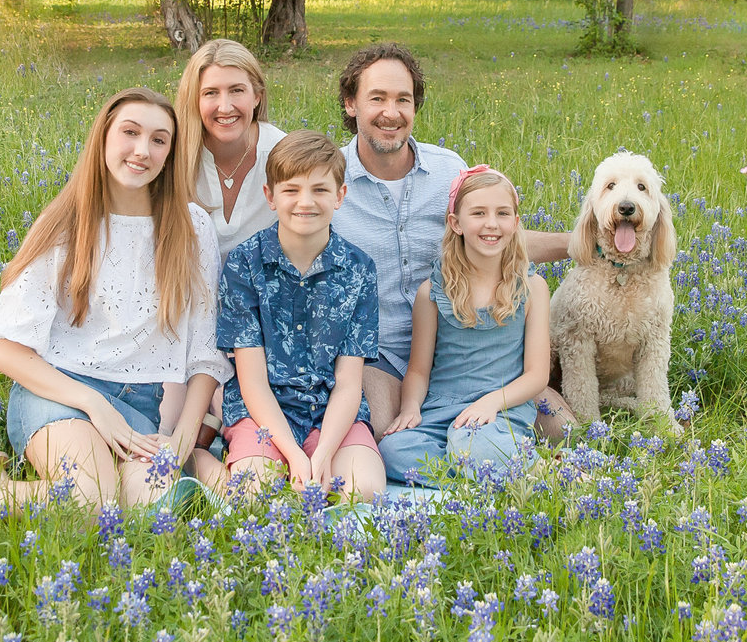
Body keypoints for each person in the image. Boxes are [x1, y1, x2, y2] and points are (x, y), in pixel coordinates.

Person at [0, 87, 232, 508]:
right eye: (130, 132)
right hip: (58, 393)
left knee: (148, 506)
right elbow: (6, 352)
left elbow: (205, 357)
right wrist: (93, 404)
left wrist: (179, 445)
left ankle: (1, 491)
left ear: (170, 152)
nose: (142, 150)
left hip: (141, 406)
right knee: (90, 502)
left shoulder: (192, 227)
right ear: (104, 138)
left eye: (158, 140)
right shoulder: (65, 224)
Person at [329, 43, 576, 440]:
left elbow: (493, 240)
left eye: (403, 99)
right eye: (377, 98)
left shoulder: (448, 170)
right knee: (378, 430)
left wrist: (577, 243)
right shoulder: (329, 182)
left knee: (564, 430)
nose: (391, 113)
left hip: (470, 351)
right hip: (382, 359)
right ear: (350, 103)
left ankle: (484, 442)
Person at [215, 130, 386, 500]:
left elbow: (348, 382)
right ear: (270, 196)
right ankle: (212, 460)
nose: (305, 202)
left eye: (320, 190)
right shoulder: (245, 263)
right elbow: (253, 382)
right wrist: (294, 456)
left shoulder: (359, 269)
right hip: (261, 411)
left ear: (340, 196)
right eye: (291, 190)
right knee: (255, 494)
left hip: (331, 410)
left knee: (365, 490)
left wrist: (322, 454)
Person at [379, 166, 552, 483]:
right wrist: (410, 408)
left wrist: (491, 403)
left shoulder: (532, 288)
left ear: (515, 223)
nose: (491, 224)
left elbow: (537, 375)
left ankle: (495, 465)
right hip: (442, 408)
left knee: (471, 446)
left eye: (502, 213)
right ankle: (487, 472)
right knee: (393, 450)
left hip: (502, 411)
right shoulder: (432, 291)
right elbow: (418, 370)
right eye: (479, 213)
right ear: (455, 223)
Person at [166, 40, 288, 444]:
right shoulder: (175, 157)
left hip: (263, 316)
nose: (225, 105)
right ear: (193, 99)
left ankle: (218, 415)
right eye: (210, 93)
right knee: (164, 425)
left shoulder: (281, 153)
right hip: (187, 313)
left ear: (257, 94)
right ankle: (207, 414)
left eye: (236, 90)